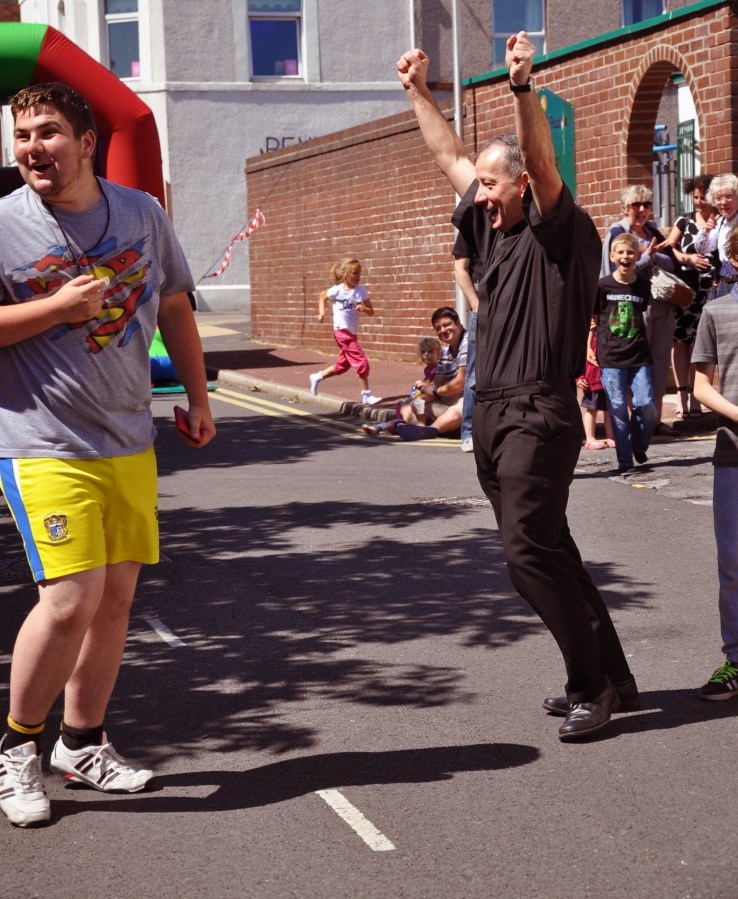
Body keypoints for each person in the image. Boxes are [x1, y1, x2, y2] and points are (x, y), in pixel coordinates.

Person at [396, 34, 637, 740]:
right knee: (552, 547)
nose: (481, 194)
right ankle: (617, 675)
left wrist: (523, 88)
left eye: (492, 185)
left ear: (523, 184)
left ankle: (590, 686)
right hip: (493, 413)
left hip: (539, 410)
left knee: (526, 551)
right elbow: (449, 155)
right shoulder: (490, 227)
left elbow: (540, 162)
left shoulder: (559, 229)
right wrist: (418, 91)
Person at [0, 82, 215, 828]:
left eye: (48, 132)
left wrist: (198, 397)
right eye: (23, 135)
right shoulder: (3, 224)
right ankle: (16, 749)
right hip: (40, 443)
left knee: (115, 600)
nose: (33, 148)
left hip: (128, 439)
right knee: (69, 599)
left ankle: (82, 743)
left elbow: (175, 305)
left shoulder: (141, 213)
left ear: (87, 142)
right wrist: (56, 308)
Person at [691, 223, 738, 701]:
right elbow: (702, 387)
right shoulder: (717, 312)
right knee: (733, 562)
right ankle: (736, 660)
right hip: (733, 453)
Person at [601, 185, 677, 436]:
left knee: (659, 362)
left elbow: (671, 262)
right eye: (636, 205)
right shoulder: (618, 232)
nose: (642, 209)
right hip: (631, 306)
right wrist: (646, 256)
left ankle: (654, 420)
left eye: (646, 204)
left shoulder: (652, 230)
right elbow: (619, 271)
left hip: (661, 303)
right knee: (633, 363)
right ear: (625, 207)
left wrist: (651, 254)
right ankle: (633, 422)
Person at [594, 232, 658, 472]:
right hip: (610, 357)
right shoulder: (602, 286)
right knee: (618, 407)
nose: (625, 256)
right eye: (620, 252)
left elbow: (643, 314)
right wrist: (589, 347)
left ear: (637, 256)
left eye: (630, 252)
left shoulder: (643, 285)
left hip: (639, 354)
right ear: (612, 256)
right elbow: (593, 319)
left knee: (647, 405)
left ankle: (638, 445)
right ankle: (625, 460)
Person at [660, 175, 717, 420]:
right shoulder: (684, 219)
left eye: (703, 197)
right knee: (680, 341)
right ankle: (682, 396)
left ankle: (697, 396)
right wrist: (687, 258)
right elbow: (669, 246)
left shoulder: (721, 220)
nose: (698, 202)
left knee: (701, 344)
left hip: (711, 289)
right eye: (695, 197)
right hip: (686, 290)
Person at [362, 308, 466, 439]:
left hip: (469, 398)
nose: (443, 330)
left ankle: (425, 431)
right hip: (448, 398)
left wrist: (434, 391)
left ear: (458, 323)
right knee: (409, 405)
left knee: (456, 411)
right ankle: (416, 428)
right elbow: (436, 384)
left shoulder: (468, 345)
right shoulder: (445, 353)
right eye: (438, 328)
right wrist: (418, 400)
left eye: (446, 325)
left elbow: (460, 384)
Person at [309, 257, 381, 405]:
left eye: (359, 273)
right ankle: (366, 395)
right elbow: (322, 297)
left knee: (343, 366)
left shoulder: (361, 291)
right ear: (345, 274)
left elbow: (371, 311)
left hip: (352, 333)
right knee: (361, 361)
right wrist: (322, 313)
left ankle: (317, 376)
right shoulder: (337, 290)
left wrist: (364, 308)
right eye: (354, 273)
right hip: (341, 332)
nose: (358, 276)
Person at [452, 231, 481, 453]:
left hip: (509, 305)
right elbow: (460, 269)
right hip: (482, 305)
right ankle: (468, 432)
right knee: (474, 374)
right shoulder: (472, 222)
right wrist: (476, 305)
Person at [694, 173, 738, 299]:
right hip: (724, 284)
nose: (723, 202)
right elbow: (702, 249)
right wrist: (706, 231)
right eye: (718, 198)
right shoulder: (720, 222)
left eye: (729, 196)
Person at [576, 322, 615, 451]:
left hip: (607, 377)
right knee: (592, 409)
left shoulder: (605, 332)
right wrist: (579, 377)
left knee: (609, 409)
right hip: (591, 378)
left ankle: (611, 436)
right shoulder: (584, 336)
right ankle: (590, 438)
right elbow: (578, 357)